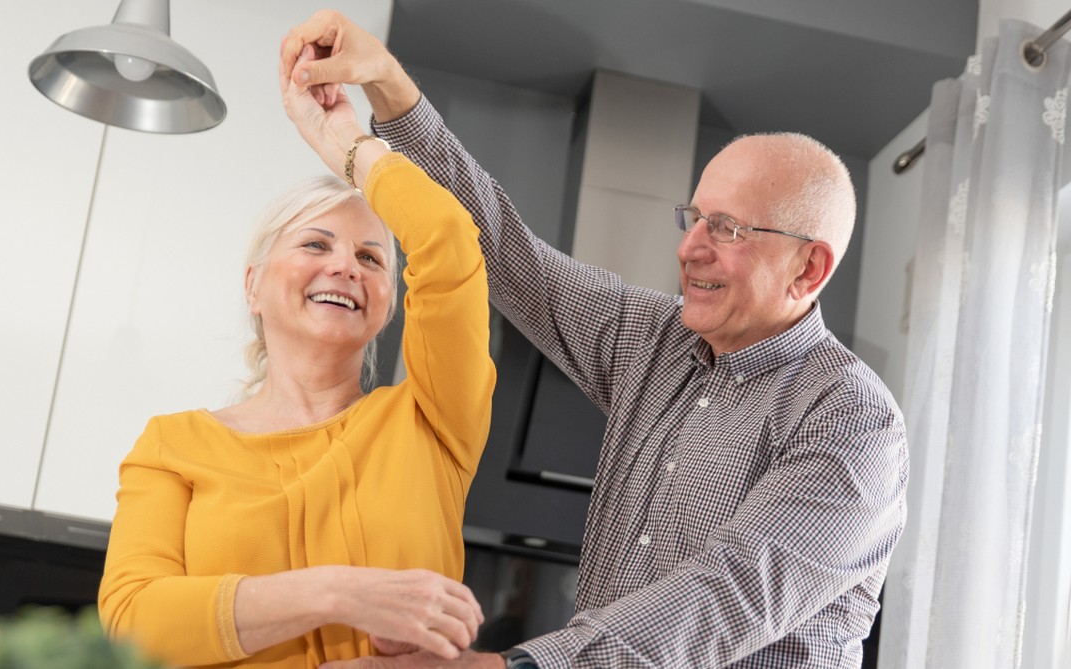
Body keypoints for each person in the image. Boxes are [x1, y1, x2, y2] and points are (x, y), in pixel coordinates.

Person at [281, 11, 909, 669]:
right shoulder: (657, 341)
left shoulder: (851, 418)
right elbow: (505, 250)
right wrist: (386, 86)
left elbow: (726, 595)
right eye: (693, 218)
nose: (689, 246)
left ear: (809, 267)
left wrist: (503, 666)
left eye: (726, 228)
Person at [97, 43, 499, 668]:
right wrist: (337, 592)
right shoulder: (171, 447)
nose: (344, 264)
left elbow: (447, 238)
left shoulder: (430, 423)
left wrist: (343, 140)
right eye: (316, 244)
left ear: (389, 304)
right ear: (254, 285)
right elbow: (134, 623)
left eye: (371, 258)